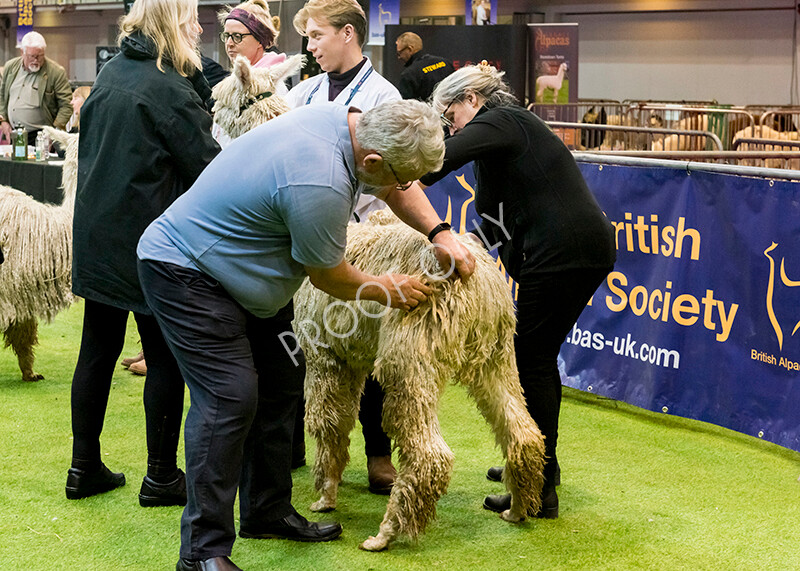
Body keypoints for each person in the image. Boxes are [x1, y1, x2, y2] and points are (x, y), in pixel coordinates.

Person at [136, 99, 474, 571]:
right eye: (399, 176)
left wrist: (440, 232)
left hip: (243, 278)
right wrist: (386, 288)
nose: (401, 187)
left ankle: (266, 510)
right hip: (186, 269)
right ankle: (203, 553)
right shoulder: (321, 180)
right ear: (373, 161)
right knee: (230, 396)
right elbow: (329, 276)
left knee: (281, 378)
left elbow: (399, 188)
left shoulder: (356, 123)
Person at [420, 62, 616, 519]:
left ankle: (538, 485)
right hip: (565, 251)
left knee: (531, 358)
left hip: (566, 251)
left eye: (450, 116)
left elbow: (437, 163)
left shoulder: (503, 120)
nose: (450, 128)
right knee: (534, 355)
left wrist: (397, 160)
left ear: (472, 98)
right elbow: (492, 219)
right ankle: (541, 464)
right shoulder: (503, 139)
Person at [66, 0, 220, 507]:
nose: (199, 26)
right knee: (163, 356)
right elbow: (208, 167)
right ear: (173, 22)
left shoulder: (111, 73)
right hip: (150, 242)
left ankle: (83, 466)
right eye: (192, 18)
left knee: (97, 349)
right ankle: (161, 476)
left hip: (97, 234)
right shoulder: (169, 87)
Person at [286, 0, 403, 494]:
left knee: (368, 351)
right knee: (306, 347)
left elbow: (395, 179)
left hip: (364, 241)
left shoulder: (384, 94)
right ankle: (315, 452)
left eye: (316, 36)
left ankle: (379, 455)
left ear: (348, 33)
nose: (310, 47)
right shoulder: (301, 92)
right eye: (307, 38)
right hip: (304, 237)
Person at [212, 0, 287, 145]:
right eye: (227, 36)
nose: (229, 43)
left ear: (260, 40)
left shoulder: (271, 87)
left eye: (237, 36)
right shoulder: (235, 82)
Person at [0, 31, 72, 145]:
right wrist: (3, 120)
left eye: (40, 56)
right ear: (22, 52)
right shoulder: (10, 67)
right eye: (32, 56)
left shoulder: (56, 72)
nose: (36, 60)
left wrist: (54, 133)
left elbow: (67, 105)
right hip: (13, 133)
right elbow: (2, 96)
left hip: (40, 137)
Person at [395, 32, 454, 102]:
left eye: (399, 53)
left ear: (410, 49)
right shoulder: (445, 62)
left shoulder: (409, 75)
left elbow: (407, 107)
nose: (399, 57)